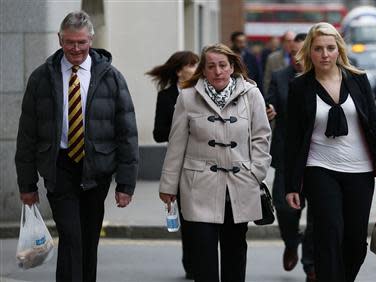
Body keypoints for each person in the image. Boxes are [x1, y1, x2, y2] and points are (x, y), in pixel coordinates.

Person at [15, 11, 138, 282]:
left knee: (88, 239)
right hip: (59, 167)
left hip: (97, 169)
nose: (76, 49)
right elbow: (27, 135)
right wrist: (27, 185)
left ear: (91, 40)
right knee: (71, 237)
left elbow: (127, 133)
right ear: (60, 39)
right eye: (70, 42)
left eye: (81, 42)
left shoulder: (111, 77)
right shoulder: (41, 78)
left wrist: (126, 184)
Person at [285, 22, 376, 282]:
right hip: (320, 168)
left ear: (339, 50)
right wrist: (291, 185)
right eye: (318, 49)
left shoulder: (358, 79)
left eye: (330, 48)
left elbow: (374, 124)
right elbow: (292, 139)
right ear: (309, 52)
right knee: (329, 233)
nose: (325, 54)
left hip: (359, 171)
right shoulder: (300, 87)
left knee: (355, 242)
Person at [158, 43, 271, 282]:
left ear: (232, 67)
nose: (218, 71)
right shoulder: (187, 98)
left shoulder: (251, 94)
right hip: (198, 186)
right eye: (211, 66)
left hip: (240, 184)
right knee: (203, 257)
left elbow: (262, 135)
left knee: (235, 253)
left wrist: (256, 171)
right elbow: (176, 144)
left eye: (222, 65)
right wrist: (168, 186)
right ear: (204, 70)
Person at [265, 33, 315, 281]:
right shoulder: (280, 77)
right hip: (286, 156)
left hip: (317, 158)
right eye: (292, 52)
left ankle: (311, 265)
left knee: (318, 214)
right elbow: (269, 102)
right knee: (284, 210)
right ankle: (291, 241)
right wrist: (269, 110)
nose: (296, 58)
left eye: (301, 53)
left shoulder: (322, 77)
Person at [146, 50, 199, 279]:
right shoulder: (166, 96)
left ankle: (204, 259)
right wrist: (182, 128)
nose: (196, 68)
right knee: (187, 216)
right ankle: (191, 262)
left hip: (204, 161)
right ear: (180, 71)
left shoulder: (204, 93)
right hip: (179, 163)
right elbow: (158, 134)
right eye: (192, 64)